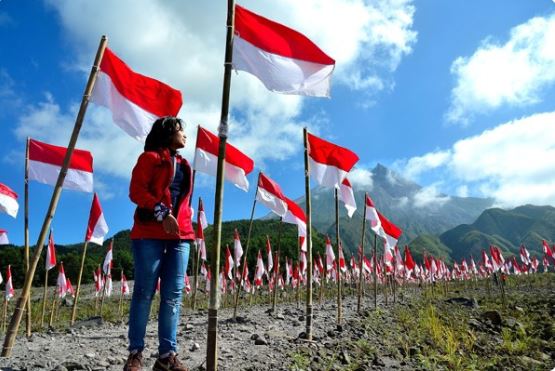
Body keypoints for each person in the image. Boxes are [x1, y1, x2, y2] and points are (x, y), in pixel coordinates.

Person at [124, 117, 193, 371]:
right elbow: (136, 191)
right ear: (167, 134)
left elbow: (182, 199)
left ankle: (166, 356)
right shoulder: (150, 158)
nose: (185, 134)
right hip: (149, 233)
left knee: (173, 296)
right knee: (143, 293)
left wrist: (184, 223)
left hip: (181, 235)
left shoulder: (185, 165)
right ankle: (135, 353)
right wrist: (162, 212)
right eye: (180, 130)